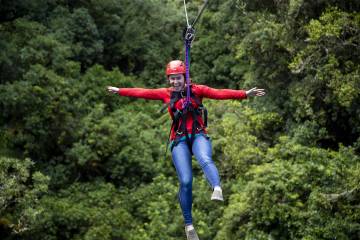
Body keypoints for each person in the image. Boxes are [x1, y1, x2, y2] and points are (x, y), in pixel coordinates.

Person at [107, 60, 265, 240]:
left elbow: (219, 93)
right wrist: (120, 91)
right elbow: (143, 92)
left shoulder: (197, 90)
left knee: (205, 158)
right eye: (172, 79)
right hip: (179, 139)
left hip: (197, 135)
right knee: (186, 181)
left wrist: (244, 93)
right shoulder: (166, 94)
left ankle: (217, 188)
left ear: (185, 77)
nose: (175, 82)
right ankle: (189, 226)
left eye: (178, 78)